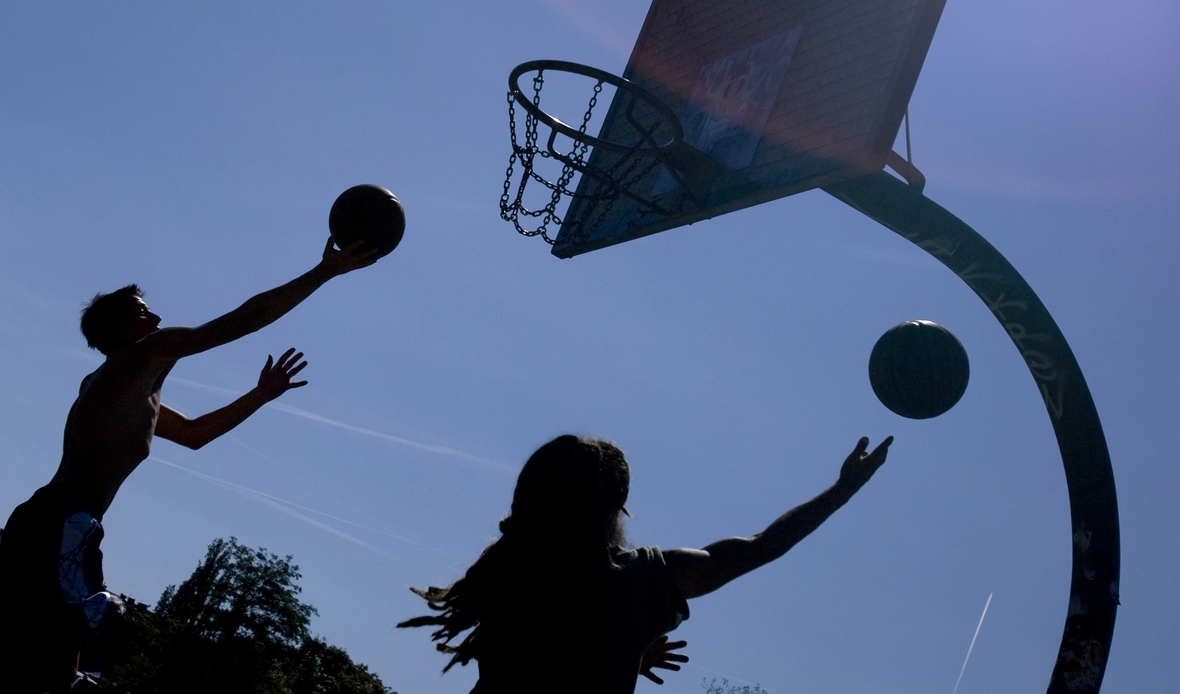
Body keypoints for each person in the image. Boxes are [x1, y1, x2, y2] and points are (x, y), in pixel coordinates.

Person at [0, 238, 376, 693]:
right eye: (143, 313)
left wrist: (260, 395)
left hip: (57, 521)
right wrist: (324, 272)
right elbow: (240, 322)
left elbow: (195, 436)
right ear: (119, 329)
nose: (156, 319)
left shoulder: (128, 388)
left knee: (44, 660)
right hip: (64, 521)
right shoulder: (135, 358)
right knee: (64, 653)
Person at [400, 432, 892, 694]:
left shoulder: (507, 571)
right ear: (617, 506)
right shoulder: (642, 582)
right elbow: (762, 545)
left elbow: (552, 655)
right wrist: (841, 491)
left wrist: (626, 650)